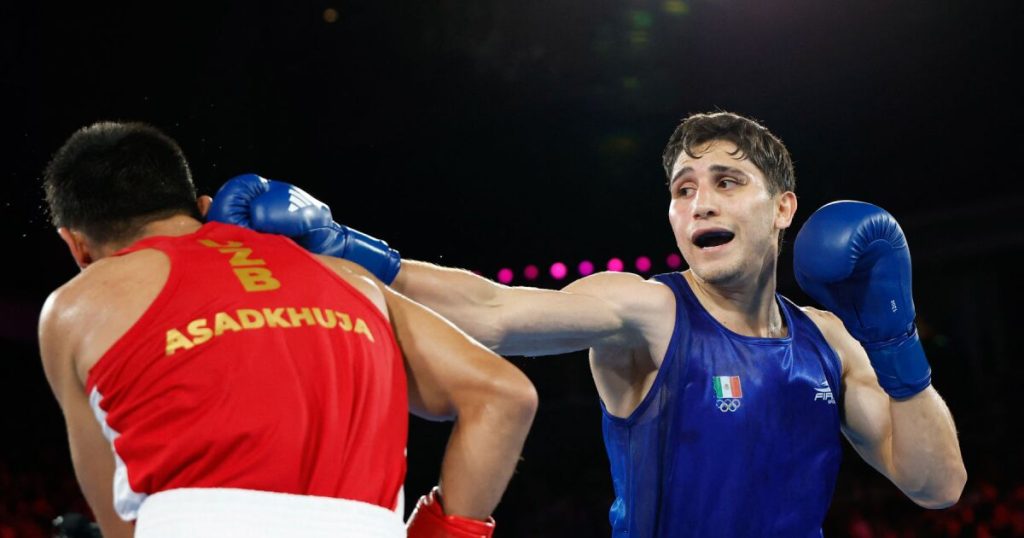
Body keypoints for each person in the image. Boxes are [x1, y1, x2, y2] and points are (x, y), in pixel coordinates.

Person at [210, 111, 968, 537]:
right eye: (682, 189)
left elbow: (937, 485)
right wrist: (351, 250)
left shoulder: (831, 343)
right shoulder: (649, 311)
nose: (698, 203)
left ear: (783, 209)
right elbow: (494, 313)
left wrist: (895, 342)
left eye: (727, 182)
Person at [38, 121, 538, 538]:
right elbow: (503, 395)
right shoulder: (345, 276)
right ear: (204, 206)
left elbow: (118, 518)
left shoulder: (77, 305)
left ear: (76, 245)